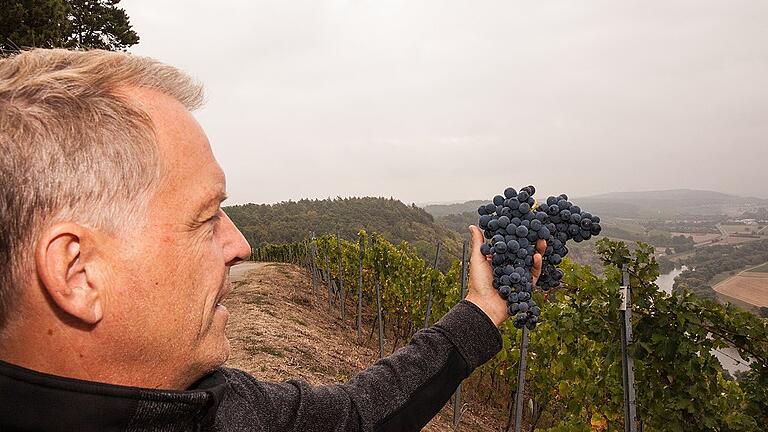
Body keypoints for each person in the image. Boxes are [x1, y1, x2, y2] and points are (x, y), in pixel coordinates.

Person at [0, 49, 544, 432]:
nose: (242, 246)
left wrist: (483, 308)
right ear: (78, 272)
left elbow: (358, 416)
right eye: (207, 216)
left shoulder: (221, 406)